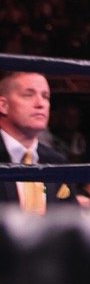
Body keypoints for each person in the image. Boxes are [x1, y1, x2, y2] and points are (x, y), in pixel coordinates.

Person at [0, 72, 75, 213]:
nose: (41, 104)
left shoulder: (57, 162)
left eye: (45, 96)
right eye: (28, 95)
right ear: (3, 105)